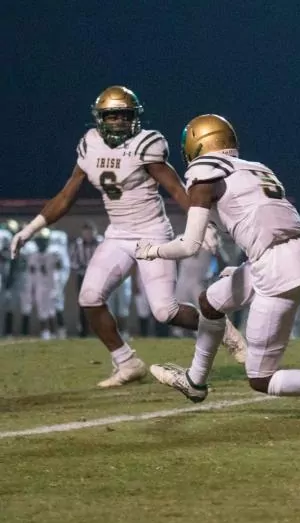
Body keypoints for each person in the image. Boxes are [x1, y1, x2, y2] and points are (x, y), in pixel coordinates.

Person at [139, 114, 300, 420]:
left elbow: (189, 245)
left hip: (276, 266)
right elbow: (266, 220)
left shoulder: (204, 174)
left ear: (196, 146)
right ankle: (195, 381)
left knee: (261, 378)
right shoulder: (255, 169)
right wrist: (248, 265)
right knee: (210, 301)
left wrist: (152, 250)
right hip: (289, 254)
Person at [10, 86, 246, 387]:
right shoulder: (90, 145)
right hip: (118, 235)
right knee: (89, 297)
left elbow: (175, 189)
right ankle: (127, 362)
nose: (119, 121)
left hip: (152, 233)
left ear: (135, 117)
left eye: (125, 115)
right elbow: (67, 196)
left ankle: (225, 332)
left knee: (165, 311)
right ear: (100, 118)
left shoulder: (146, 144)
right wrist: (30, 229)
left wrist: (204, 225)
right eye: (113, 116)